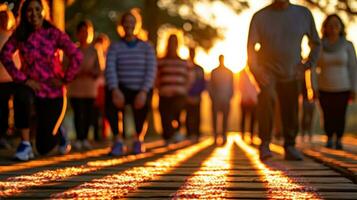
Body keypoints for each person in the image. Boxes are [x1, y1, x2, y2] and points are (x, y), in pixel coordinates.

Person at [0, 0, 82, 161]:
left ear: (44, 12)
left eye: (38, 9)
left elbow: (76, 55)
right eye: (29, 10)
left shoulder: (54, 33)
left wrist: (65, 79)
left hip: (53, 93)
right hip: (31, 87)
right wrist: (23, 79)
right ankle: (25, 144)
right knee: (21, 94)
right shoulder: (20, 34)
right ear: (24, 14)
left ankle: (59, 134)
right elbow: (4, 55)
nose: (34, 14)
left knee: (44, 147)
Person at [247, 0, 321, 160]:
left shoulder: (303, 14)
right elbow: (251, 48)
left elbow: (316, 43)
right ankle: (265, 143)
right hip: (267, 72)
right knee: (266, 98)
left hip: (292, 71)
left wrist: (306, 65)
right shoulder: (260, 17)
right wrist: (256, 71)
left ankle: (290, 145)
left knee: (291, 108)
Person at [105, 12, 156, 155]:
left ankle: (138, 139)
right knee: (109, 99)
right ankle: (118, 141)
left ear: (137, 25)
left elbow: (151, 71)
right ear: (121, 25)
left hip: (140, 89)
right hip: (121, 88)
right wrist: (115, 90)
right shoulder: (114, 47)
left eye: (132, 22)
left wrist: (144, 91)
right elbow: (110, 69)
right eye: (126, 22)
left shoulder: (147, 47)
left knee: (144, 105)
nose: (129, 25)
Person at [317, 14, 357, 150]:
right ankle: (329, 138)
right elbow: (312, 67)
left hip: (343, 87)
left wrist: (354, 88)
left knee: (340, 114)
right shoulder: (319, 45)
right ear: (325, 28)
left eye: (336, 25)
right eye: (330, 25)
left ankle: (339, 139)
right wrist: (313, 87)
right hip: (323, 87)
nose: (333, 28)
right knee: (327, 114)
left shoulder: (348, 45)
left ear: (341, 27)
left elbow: (353, 67)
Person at [68, 20, 100, 150]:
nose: (84, 34)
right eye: (82, 32)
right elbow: (66, 68)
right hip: (75, 89)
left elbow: (99, 69)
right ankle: (79, 138)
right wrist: (76, 72)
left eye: (87, 32)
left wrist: (91, 72)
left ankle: (85, 138)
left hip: (90, 89)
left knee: (88, 114)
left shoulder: (94, 50)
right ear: (77, 33)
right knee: (78, 114)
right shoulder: (72, 50)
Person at [157, 34, 190, 144]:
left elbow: (189, 77)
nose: (172, 44)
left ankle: (176, 132)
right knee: (165, 116)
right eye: (171, 41)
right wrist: (159, 88)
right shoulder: (161, 61)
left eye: (175, 42)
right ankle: (168, 137)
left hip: (179, 94)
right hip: (164, 94)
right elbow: (156, 77)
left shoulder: (183, 62)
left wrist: (185, 89)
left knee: (176, 114)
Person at [0, 8, 16, 149]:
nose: (5, 20)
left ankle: (6, 134)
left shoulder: (14, 37)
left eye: (7, 18)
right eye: (2, 18)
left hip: (11, 78)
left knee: (8, 108)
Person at [209, 55, 233, 145]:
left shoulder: (229, 72)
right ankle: (215, 136)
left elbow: (232, 85)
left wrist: (230, 96)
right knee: (215, 118)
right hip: (216, 99)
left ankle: (224, 135)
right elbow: (211, 85)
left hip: (226, 99)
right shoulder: (214, 72)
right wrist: (212, 97)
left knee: (225, 118)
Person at [186, 47, 206, 141]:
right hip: (187, 96)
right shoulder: (185, 67)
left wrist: (198, 94)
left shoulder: (199, 69)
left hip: (197, 96)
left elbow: (202, 83)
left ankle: (196, 134)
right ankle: (189, 134)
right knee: (188, 115)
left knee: (197, 115)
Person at [238, 67, 258, 143]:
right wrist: (246, 97)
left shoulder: (256, 71)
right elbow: (240, 86)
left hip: (254, 100)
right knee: (243, 118)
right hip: (245, 100)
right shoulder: (242, 73)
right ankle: (242, 134)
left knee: (253, 119)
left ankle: (251, 135)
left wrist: (253, 98)